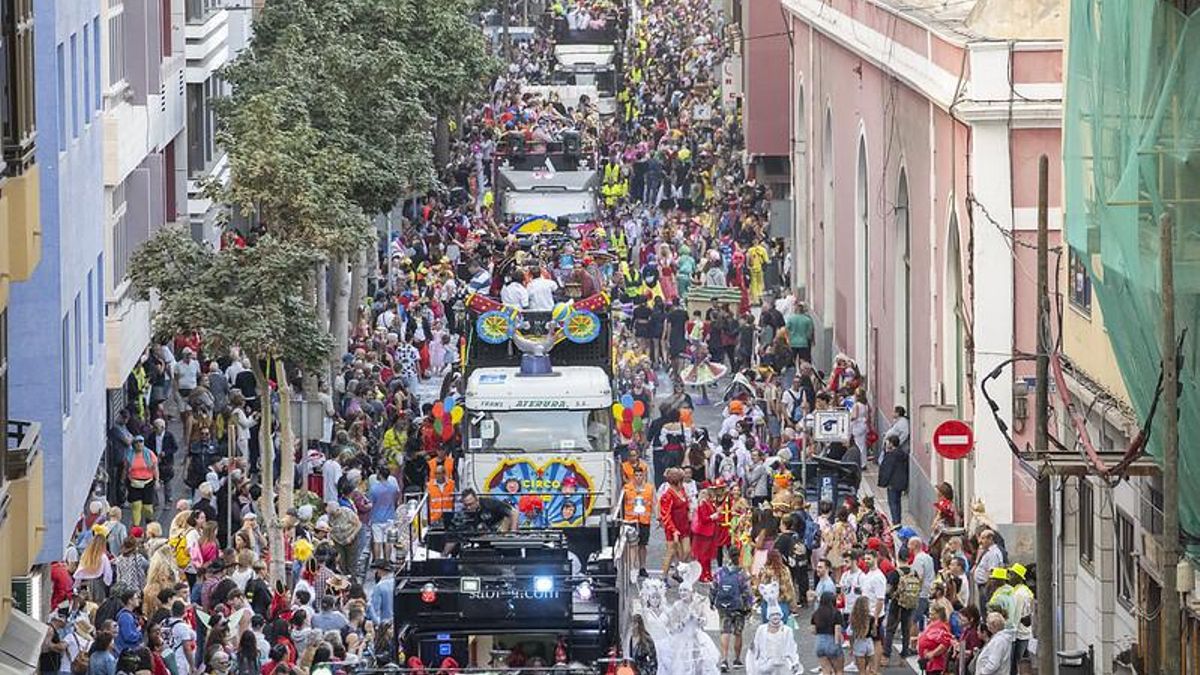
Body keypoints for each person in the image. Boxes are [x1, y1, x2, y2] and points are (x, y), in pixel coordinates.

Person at [710, 559, 752, 672]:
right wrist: (748, 607)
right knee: (738, 633)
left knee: (725, 631)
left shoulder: (720, 572)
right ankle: (737, 660)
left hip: (723, 607)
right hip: (738, 607)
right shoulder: (742, 573)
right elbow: (747, 591)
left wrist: (712, 601)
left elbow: (713, 587)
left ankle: (724, 659)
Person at [744, 603, 800, 675]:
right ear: (768, 616)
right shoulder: (761, 629)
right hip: (764, 665)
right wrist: (753, 662)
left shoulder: (787, 630)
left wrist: (794, 662)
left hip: (782, 665)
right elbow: (756, 647)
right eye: (773, 615)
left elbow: (791, 647)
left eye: (777, 614)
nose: (775, 617)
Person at [623, 466, 655, 578]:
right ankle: (632, 567)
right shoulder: (627, 488)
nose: (638, 477)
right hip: (630, 519)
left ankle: (642, 567)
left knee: (643, 545)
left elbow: (654, 502)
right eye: (636, 475)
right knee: (632, 545)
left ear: (644, 476)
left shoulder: (649, 488)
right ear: (633, 476)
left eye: (640, 475)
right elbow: (623, 503)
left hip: (644, 520)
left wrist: (657, 517)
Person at [125, 435, 159, 528]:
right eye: (137, 442)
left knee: (147, 507)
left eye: (141, 442)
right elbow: (126, 468)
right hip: (134, 483)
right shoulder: (130, 455)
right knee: (136, 505)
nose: (139, 444)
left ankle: (149, 522)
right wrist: (123, 480)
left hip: (148, 482)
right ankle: (136, 527)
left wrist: (157, 480)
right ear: (134, 444)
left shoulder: (149, 454)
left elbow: (155, 468)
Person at [876, 435, 908, 525]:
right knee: (898, 502)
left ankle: (895, 522)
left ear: (891, 443)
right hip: (901, 482)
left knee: (893, 503)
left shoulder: (891, 455)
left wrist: (883, 482)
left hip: (892, 483)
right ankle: (898, 520)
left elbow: (886, 469)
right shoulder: (902, 454)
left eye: (887, 442)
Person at [811, 591, 844, 675]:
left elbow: (813, 631)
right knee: (839, 671)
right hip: (832, 641)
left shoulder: (816, 613)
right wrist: (838, 644)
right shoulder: (836, 613)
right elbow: (837, 630)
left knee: (825, 670)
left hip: (820, 643)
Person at [916, 604, 954, 675]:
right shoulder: (932, 624)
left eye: (932, 613)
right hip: (928, 662)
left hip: (936, 663)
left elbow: (945, 643)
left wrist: (933, 653)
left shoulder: (941, 626)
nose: (930, 615)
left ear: (938, 614)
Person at [784, 301, 815, 370]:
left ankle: (793, 372)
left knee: (792, 360)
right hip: (803, 343)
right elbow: (810, 333)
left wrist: (788, 339)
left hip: (793, 343)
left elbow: (786, 329)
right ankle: (803, 372)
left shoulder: (791, 319)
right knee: (804, 361)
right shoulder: (807, 320)